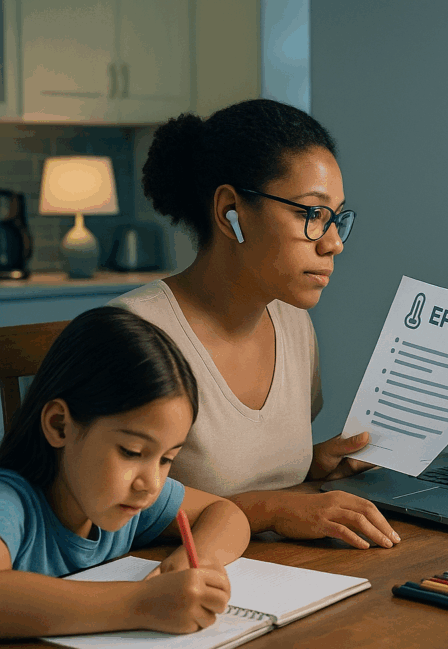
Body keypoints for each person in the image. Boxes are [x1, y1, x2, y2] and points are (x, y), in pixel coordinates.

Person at [109, 98, 400, 550]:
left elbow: (238, 469)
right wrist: (273, 509)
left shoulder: (293, 321)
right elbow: (109, 501)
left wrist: (313, 466)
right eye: (311, 214)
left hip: (289, 574)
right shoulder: (133, 336)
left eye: (336, 217)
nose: (334, 243)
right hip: (178, 585)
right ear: (231, 212)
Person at [0, 307, 251, 638]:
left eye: (166, 458)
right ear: (60, 425)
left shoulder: (126, 499)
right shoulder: (11, 502)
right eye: (132, 452)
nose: (151, 484)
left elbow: (226, 513)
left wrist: (197, 560)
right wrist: (142, 604)